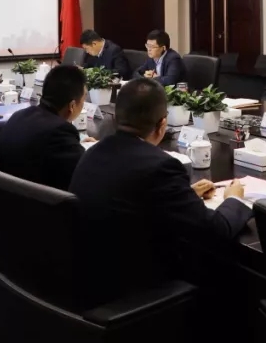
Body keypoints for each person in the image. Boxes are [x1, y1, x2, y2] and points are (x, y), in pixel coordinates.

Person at [69, 78, 250, 308]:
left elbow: (137, 197)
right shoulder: (160, 167)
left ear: (116, 116)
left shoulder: (93, 153)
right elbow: (215, 231)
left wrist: (185, 195)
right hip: (133, 296)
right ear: (162, 124)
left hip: (87, 281)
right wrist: (233, 198)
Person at [0, 65, 94, 190]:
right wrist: (96, 150)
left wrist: (73, 144)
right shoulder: (60, 132)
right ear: (72, 106)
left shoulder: (20, 115)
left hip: (6, 194)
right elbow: (86, 173)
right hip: (35, 200)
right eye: (83, 99)